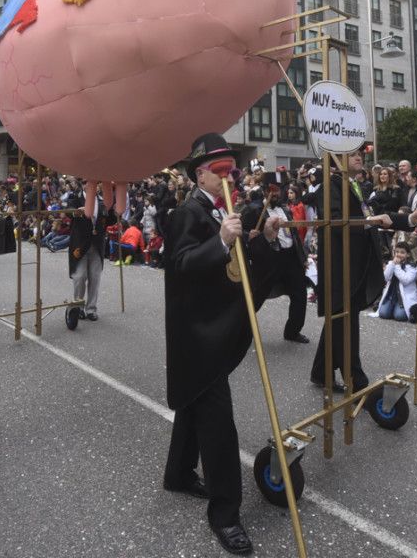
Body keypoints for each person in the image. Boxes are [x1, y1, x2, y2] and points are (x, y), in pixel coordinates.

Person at [162, 133, 284, 556]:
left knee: (195, 401)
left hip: (218, 326)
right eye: (219, 172)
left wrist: (260, 238)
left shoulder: (223, 208)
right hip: (198, 334)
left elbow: (236, 263)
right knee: (217, 423)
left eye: (231, 169)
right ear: (199, 174)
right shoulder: (186, 213)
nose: (229, 176)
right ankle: (226, 515)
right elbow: (179, 264)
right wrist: (221, 242)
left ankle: (178, 473)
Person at [310, 144, 417, 393]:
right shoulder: (329, 187)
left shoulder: (354, 185)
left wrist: (408, 219)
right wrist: (370, 221)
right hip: (341, 267)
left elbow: (373, 215)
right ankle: (357, 383)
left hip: (357, 263)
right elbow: (335, 223)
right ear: (337, 161)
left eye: (359, 154)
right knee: (345, 322)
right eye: (352, 154)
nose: (359, 157)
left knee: (339, 319)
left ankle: (321, 372)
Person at [262, 183, 309, 343]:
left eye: (277, 191)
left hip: (291, 258)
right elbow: (247, 235)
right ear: (264, 191)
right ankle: (241, 328)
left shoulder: (286, 209)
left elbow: (295, 236)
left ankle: (292, 331)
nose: (274, 194)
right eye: (271, 191)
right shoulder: (256, 211)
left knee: (300, 295)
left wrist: (302, 259)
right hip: (271, 259)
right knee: (256, 295)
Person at [67, 187, 117, 321]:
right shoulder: (76, 198)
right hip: (80, 245)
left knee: (95, 278)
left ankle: (91, 309)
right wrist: (75, 213)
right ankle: (78, 307)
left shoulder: (102, 201)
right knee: (79, 277)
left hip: (97, 245)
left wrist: (114, 209)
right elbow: (68, 211)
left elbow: (111, 220)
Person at [377, 240, 417, 321]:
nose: (399, 254)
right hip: (391, 295)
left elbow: (405, 280)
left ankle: (397, 309)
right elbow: (386, 277)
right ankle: (392, 308)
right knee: (383, 314)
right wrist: (392, 265)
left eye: (402, 252)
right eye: (397, 252)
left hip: (404, 298)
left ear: (408, 254)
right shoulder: (391, 263)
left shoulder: (412, 267)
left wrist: (397, 266)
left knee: (399, 316)